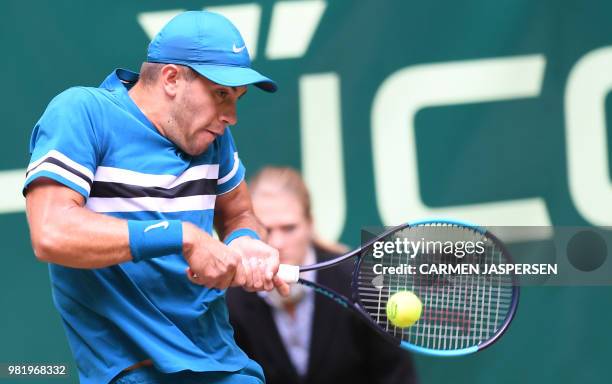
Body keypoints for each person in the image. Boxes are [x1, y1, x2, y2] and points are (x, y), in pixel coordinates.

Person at [23, 11, 290, 384]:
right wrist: (181, 235)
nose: (231, 116)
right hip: (132, 371)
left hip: (226, 367)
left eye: (237, 99)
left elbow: (239, 214)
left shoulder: (213, 138)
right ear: (171, 78)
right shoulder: (83, 112)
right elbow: (51, 232)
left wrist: (246, 242)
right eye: (220, 94)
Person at [227, 167, 418, 384]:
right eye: (265, 229)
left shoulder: (363, 287)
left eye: (289, 228)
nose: (278, 243)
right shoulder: (232, 302)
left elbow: (398, 377)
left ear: (310, 225)